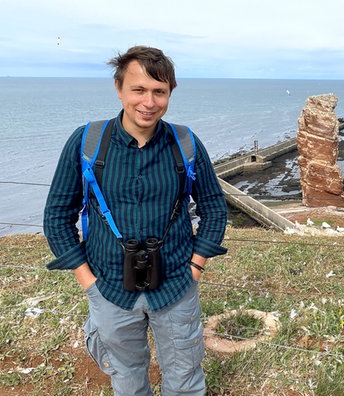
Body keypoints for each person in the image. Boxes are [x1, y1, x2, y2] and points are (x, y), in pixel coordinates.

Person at [43, 46, 228, 395]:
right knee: (126, 378)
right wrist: (89, 283)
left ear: (170, 93)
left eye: (159, 91)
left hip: (175, 285)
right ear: (119, 89)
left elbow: (215, 209)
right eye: (138, 90)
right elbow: (56, 216)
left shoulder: (185, 143)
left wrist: (195, 268)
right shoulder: (87, 143)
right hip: (109, 288)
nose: (149, 101)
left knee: (186, 379)